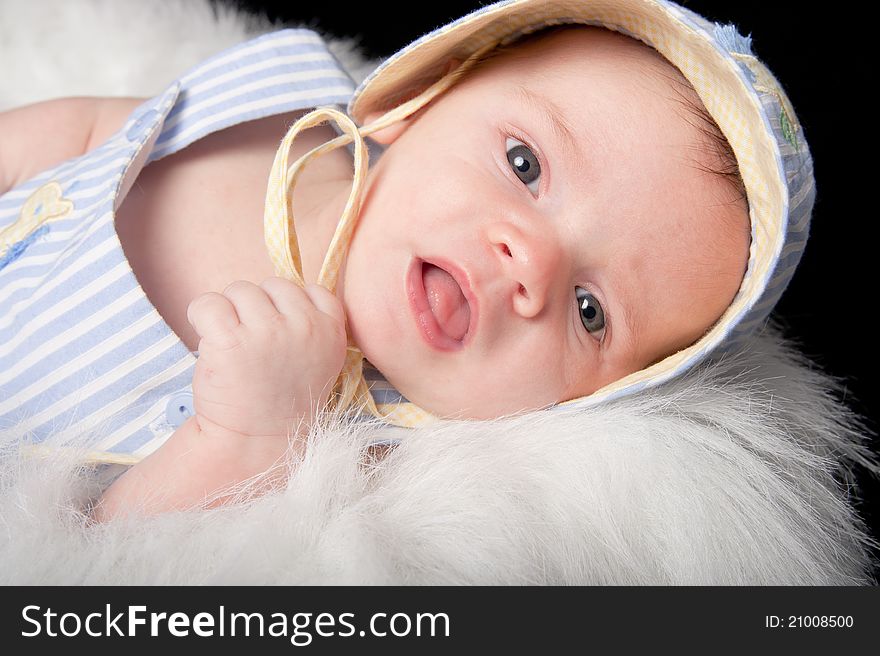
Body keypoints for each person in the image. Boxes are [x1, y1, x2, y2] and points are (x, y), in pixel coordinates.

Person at [0, 0, 812, 519]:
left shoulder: (367, 449)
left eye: (589, 309)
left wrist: (242, 439)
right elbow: (76, 135)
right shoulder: (265, 107)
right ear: (414, 101)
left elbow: (86, 561)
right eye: (525, 165)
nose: (526, 260)